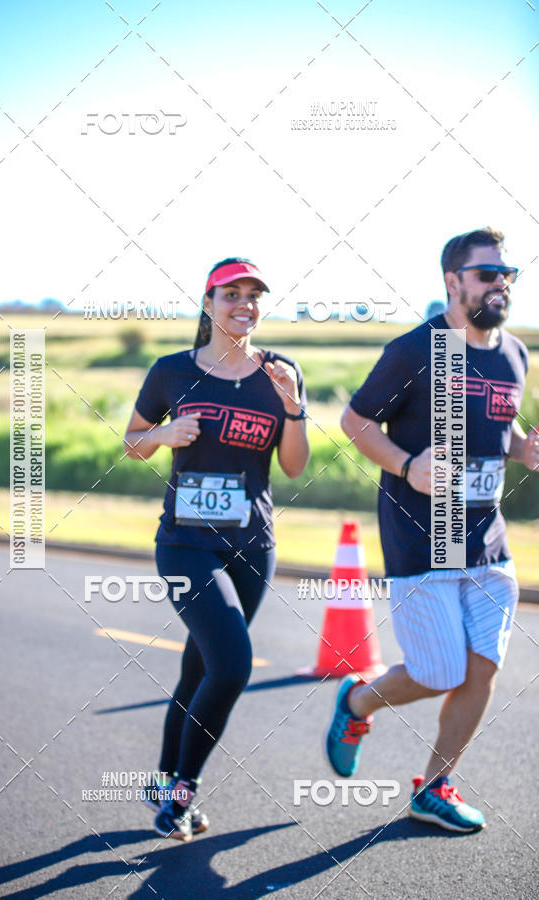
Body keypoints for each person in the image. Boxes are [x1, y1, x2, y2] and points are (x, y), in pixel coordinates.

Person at [326, 227, 538, 833]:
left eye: (507, 274)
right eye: (486, 274)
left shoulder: (514, 354)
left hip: (488, 540)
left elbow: (500, 428)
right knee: (438, 672)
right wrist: (406, 464)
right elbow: (356, 420)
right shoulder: (417, 349)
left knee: (482, 670)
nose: (500, 284)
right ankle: (358, 701)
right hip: (423, 536)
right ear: (453, 281)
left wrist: (525, 450)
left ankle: (435, 787)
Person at [124, 257, 309, 841]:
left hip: (254, 544)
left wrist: (294, 406)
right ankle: (181, 797)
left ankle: (163, 779)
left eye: (254, 295)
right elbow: (133, 443)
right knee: (232, 664)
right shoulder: (172, 371)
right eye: (232, 294)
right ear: (208, 303)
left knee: (199, 667)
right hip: (185, 543)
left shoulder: (280, 372)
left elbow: (294, 465)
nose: (244, 304)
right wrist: (162, 434)